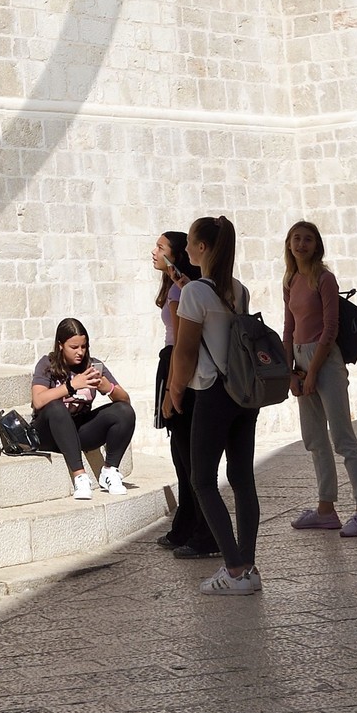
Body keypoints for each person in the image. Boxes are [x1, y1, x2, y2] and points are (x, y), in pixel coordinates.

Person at [164, 215, 260, 595]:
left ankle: (234, 568)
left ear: (202, 248)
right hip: (244, 394)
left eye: (190, 242)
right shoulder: (239, 290)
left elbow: (185, 353)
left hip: (213, 394)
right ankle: (247, 566)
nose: (186, 248)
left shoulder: (194, 294)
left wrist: (173, 395)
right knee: (242, 479)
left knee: (202, 479)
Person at [283, 221, 357, 538]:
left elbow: (331, 328)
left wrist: (312, 372)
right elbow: (288, 328)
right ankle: (326, 510)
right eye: (296, 238)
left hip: (325, 362)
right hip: (300, 359)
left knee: (342, 436)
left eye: (308, 239)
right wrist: (291, 372)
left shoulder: (324, 278)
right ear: (289, 244)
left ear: (317, 245)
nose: (301, 244)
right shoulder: (291, 279)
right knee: (314, 439)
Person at [152, 230, 216, 560]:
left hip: (178, 366)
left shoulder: (183, 291)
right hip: (172, 363)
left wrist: (170, 391)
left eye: (160, 247)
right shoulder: (176, 288)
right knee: (182, 457)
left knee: (188, 457)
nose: (154, 251)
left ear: (175, 255)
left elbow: (181, 344)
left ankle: (205, 532)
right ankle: (187, 525)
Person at [30, 318, 136, 500]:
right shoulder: (47, 364)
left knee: (124, 412)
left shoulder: (92, 366)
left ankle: (110, 471)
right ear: (60, 345)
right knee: (55, 406)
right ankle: (79, 476)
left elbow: (125, 400)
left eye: (83, 346)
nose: (80, 352)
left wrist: (107, 387)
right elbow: (38, 401)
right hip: (49, 432)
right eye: (74, 347)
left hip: (78, 430)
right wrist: (71, 386)